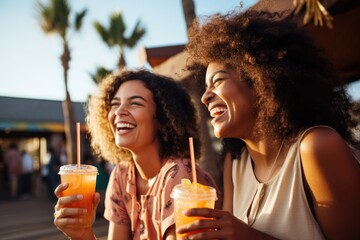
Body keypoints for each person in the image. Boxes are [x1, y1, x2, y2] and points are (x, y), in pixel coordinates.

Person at [177, 9, 360, 240]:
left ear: (261, 79)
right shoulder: (235, 163)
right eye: (205, 87)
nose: (205, 97)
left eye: (218, 81)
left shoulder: (317, 147)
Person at [53, 69, 222, 239]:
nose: (119, 111)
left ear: (162, 119)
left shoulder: (180, 174)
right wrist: (82, 234)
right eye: (114, 104)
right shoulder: (122, 175)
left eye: (135, 103)